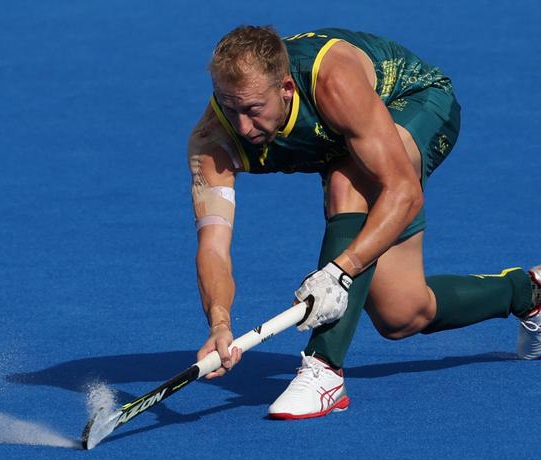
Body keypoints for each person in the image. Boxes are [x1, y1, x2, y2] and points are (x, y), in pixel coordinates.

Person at [187, 26, 541, 419]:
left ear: (287, 88)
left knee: (347, 179)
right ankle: (529, 293)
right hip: (349, 140)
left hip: (417, 102)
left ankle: (324, 370)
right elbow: (213, 245)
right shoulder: (212, 141)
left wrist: (339, 272)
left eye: (253, 110)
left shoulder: (332, 80)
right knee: (402, 313)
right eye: (228, 106)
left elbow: (404, 194)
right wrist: (219, 321)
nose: (241, 127)